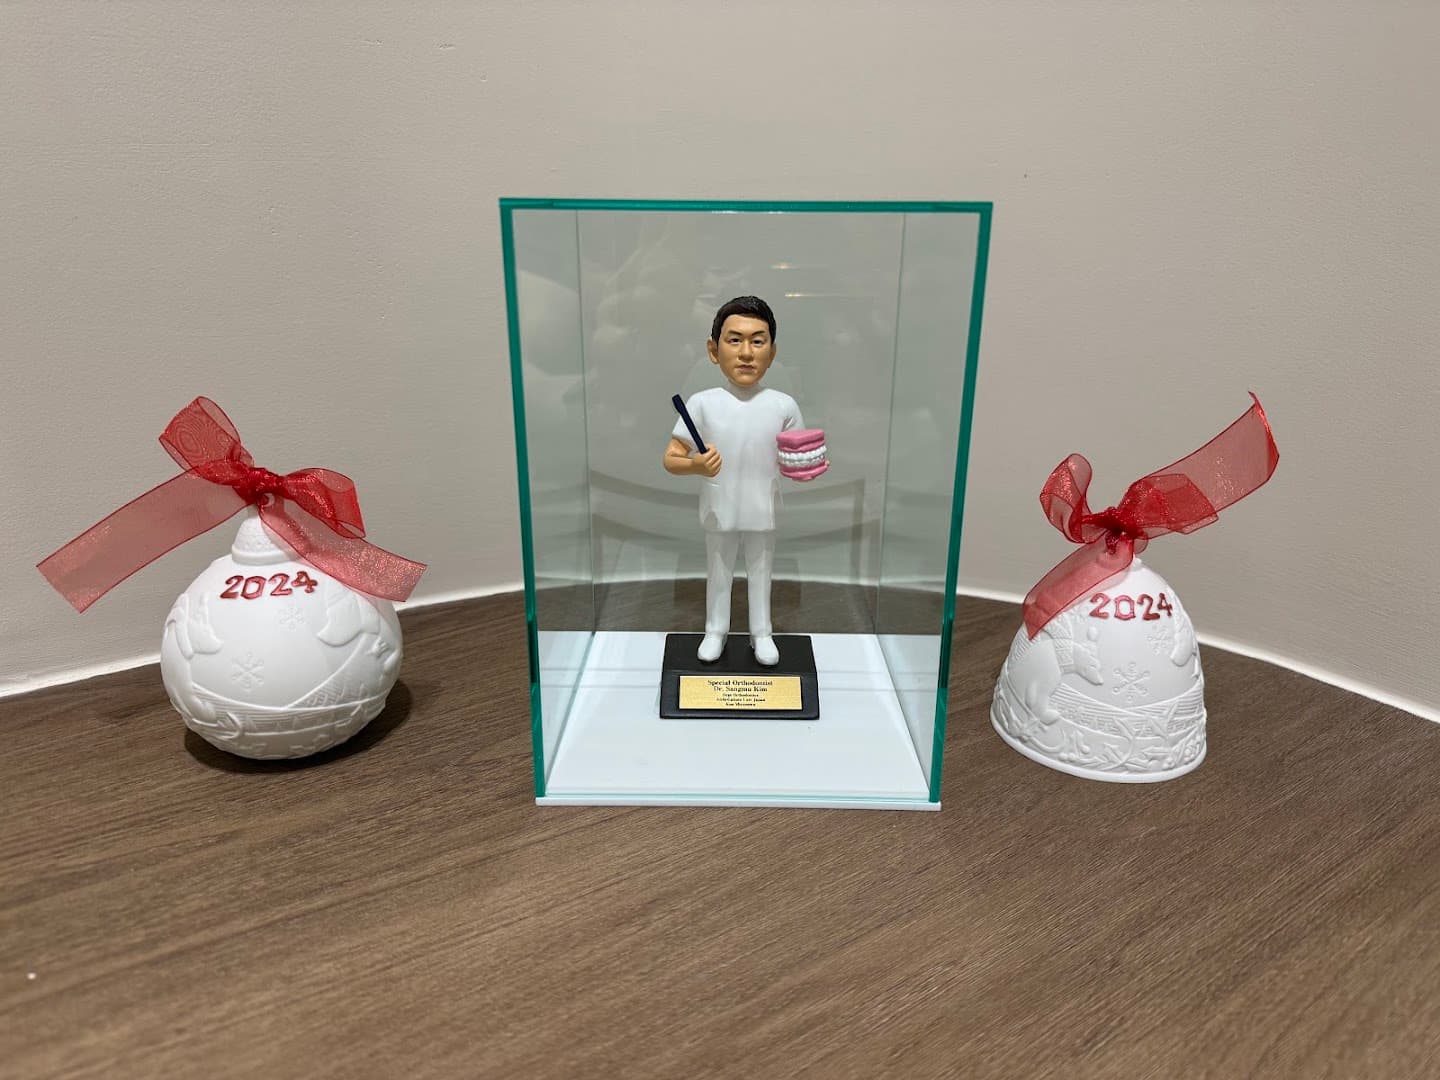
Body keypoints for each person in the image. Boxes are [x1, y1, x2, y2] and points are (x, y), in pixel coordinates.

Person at [663, 296, 808, 666]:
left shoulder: (783, 406)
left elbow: (798, 454)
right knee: (719, 571)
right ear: (714, 350)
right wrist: (697, 465)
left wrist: (808, 464)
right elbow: (671, 458)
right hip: (720, 505)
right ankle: (716, 629)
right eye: (734, 340)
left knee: (762, 572)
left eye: (757, 341)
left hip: (763, 505)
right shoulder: (702, 404)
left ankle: (762, 632)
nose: (746, 353)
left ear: (772, 352)